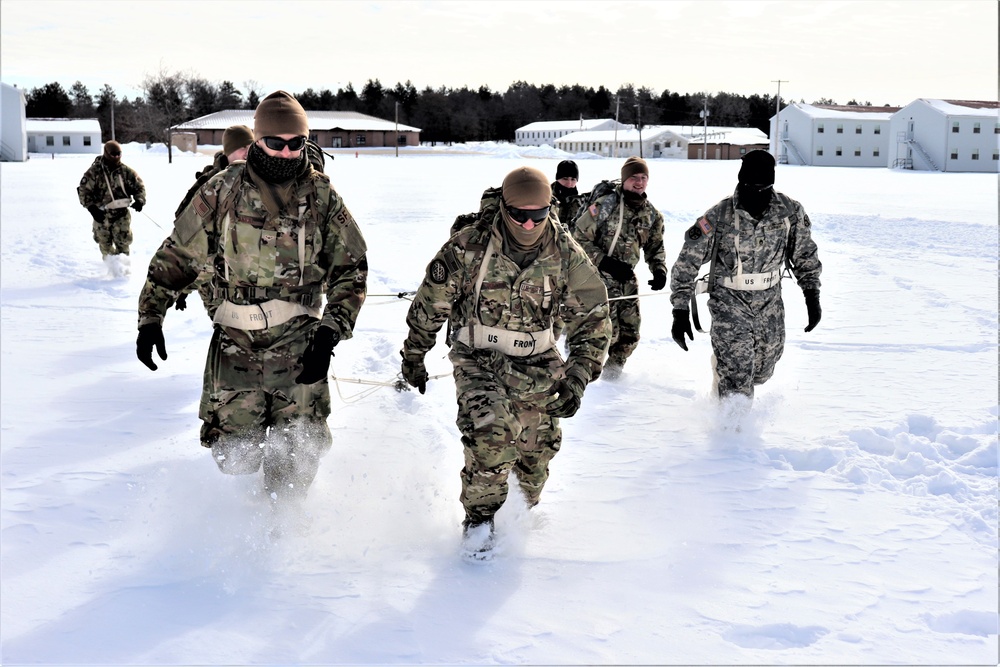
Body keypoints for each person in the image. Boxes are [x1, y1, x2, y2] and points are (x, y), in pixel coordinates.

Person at [136, 90, 368, 506]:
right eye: (274, 143)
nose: (285, 152)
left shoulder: (322, 197)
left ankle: (283, 539)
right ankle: (247, 515)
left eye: (296, 143)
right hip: (235, 347)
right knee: (234, 457)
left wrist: (331, 331)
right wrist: (151, 317)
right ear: (258, 140)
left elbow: (351, 269)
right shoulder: (222, 190)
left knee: (296, 464)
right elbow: (178, 255)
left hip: (298, 345)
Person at [399, 166, 612, 561]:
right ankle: (479, 524)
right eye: (520, 215)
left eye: (540, 214)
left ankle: (519, 511)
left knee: (536, 455)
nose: (530, 224)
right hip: (478, 355)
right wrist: (414, 355)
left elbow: (594, 317)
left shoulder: (565, 252)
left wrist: (580, 373)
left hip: (538, 360)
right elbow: (430, 304)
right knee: (492, 432)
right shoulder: (469, 247)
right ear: (504, 208)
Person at [668, 149, 822, 401]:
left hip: (770, 303)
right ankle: (732, 432)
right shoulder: (719, 215)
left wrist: (812, 295)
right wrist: (680, 310)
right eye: (750, 183)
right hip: (729, 302)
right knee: (738, 377)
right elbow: (687, 261)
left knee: (761, 372)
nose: (756, 190)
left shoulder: (789, 211)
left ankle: (723, 370)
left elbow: (804, 254)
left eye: (762, 184)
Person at [571, 156, 667, 378]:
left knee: (630, 334)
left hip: (626, 279)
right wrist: (604, 261)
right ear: (624, 180)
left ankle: (612, 380)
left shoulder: (651, 214)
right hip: (598, 277)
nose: (639, 182)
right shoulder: (605, 205)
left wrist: (659, 270)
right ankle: (586, 375)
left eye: (644, 178)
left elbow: (655, 246)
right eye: (634, 177)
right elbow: (577, 238)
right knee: (605, 333)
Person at [172, 124, 255, 316]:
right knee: (226, 326)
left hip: (253, 276)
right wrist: (185, 286)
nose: (246, 153)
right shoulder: (210, 183)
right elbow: (186, 234)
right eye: (241, 148)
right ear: (228, 152)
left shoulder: (260, 179)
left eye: (250, 148)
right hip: (215, 277)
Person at [77, 140, 146, 260]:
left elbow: (139, 186)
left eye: (119, 153)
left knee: (123, 243)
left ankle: (123, 271)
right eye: (113, 154)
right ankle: (111, 269)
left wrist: (139, 200)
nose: (117, 157)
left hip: (121, 214)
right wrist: (92, 209)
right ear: (106, 153)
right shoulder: (94, 172)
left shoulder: (125, 171)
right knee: (105, 245)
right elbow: (83, 190)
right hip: (101, 214)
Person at [551, 159, 586, 231]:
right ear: (558, 178)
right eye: (565, 178)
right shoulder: (545, 198)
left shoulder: (581, 203)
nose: (569, 183)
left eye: (573, 179)